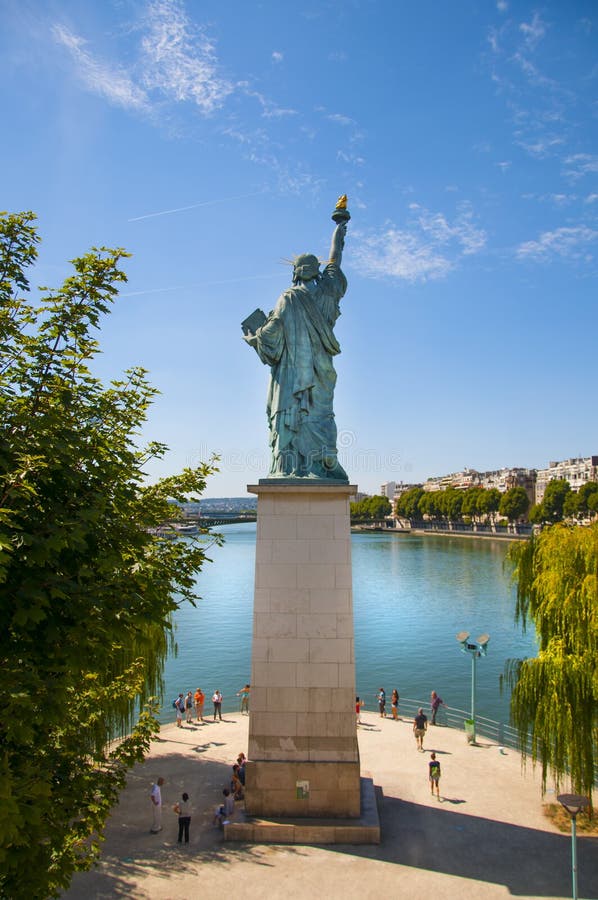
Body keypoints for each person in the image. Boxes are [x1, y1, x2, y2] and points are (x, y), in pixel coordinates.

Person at [242, 212, 350, 480]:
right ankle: (318, 467)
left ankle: (290, 468)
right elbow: (335, 258)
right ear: (317, 272)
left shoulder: (288, 299)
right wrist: (339, 228)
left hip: (292, 378)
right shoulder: (329, 291)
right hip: (321, 374)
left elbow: (270, 339)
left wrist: (253, 338)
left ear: (295, 272)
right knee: (321, 417)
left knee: (294, 414)